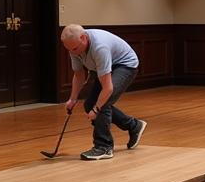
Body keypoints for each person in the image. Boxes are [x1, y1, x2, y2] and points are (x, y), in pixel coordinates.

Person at [60, 25, 146, 160]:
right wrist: (72, 99)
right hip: (102, 67)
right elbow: (79, 75)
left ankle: (104, 147)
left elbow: (108, 89)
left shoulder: (100, 47)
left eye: (75, 49)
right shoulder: (74, 46)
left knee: (102, 103)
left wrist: (97, 109)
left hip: (124, 65)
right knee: (90, 105)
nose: (73, 53)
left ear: (83, 38)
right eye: (69, 49)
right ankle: (134, 125)